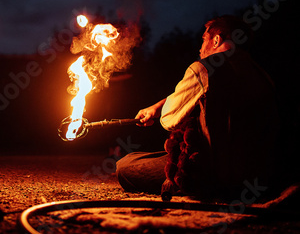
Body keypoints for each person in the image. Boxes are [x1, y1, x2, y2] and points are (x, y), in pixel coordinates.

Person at [116, 15, 279, 200]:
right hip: (257, 178)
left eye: (203, 40)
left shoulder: (204, 68)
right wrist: (157, 105)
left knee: (126, 165)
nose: (200, 48)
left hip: (212, 173)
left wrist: (160, 109)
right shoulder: (263, 75)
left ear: (216, 40)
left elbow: (168, 119)